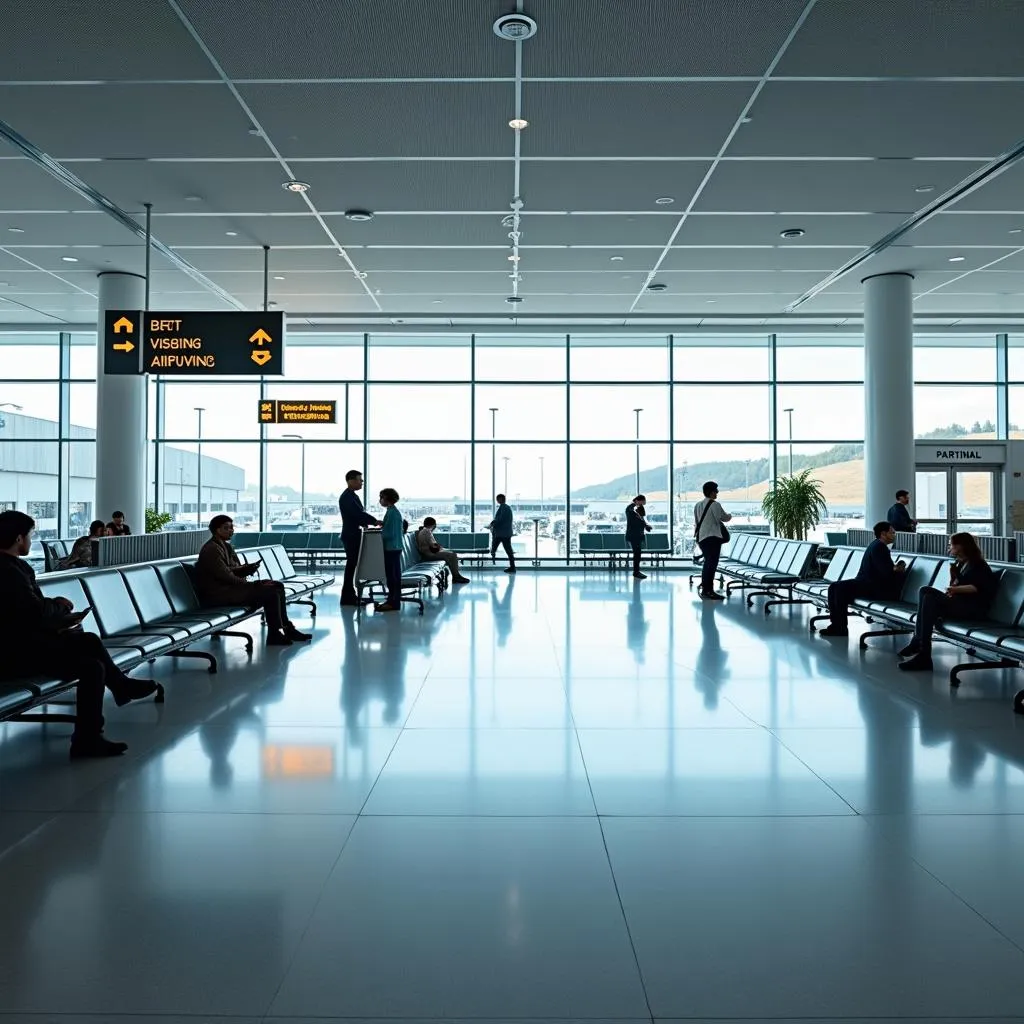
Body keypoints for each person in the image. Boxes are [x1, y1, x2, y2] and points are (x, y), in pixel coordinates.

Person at [0, 510, 158, 759]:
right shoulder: (8, 571)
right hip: (15, 654)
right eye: (30, 535)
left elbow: (26, 608)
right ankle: (92, 732)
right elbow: (31, 612)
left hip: (24, 644)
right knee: (92, 667)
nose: (31, 541)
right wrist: (60, 607)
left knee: (88, 641)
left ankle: (116, 694)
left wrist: (54, 609)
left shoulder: (14, 567)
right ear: (19, 538)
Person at [195, 515, 311, 647]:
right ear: (216, 530)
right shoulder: (212, 549)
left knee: (277, 586)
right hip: (219, 594)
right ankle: (275, 634)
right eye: (226, 528)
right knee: (270, 591)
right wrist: (252, 584)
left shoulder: (225, 547)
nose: (231, 530)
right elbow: (225, 575)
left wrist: (245, 569)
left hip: (229, 589)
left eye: (232, 527)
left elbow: (232, 568)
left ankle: (286, 628)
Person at [899, 532, 998, 672]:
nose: (949, 548)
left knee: (927, 595)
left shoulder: (978, 564)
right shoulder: (962, 563)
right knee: (926, 594)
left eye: (951, 545)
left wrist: (953, 589)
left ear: (961, 546)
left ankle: (920, 647)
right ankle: (922, 651)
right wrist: (953, 581)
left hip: (973, 609)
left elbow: (976, 588)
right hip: (961, 605)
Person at [819, 521, 906, 637]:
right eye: (892, 533)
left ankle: (838, 626)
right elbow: (887, 572)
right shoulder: (880, 548)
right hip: (871, 586)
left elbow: (885, 571)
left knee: (837, 588)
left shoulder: (875, 545)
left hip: (870, 585)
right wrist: (897, 568)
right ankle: (838, 626)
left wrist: (895, 569)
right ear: (883, 534)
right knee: (835, 587)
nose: (895, 535)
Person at [339, 470, 379, 606]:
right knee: (351, 565)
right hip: (351, 535)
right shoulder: (347, 497)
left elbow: (358, 515)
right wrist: (375, 521)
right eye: (359, 480)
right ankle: (347, 597)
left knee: (352, 565)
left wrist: (368, 522)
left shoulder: (351, 496)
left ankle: (350, 595)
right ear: (350, 480)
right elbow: (357, 514)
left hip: (353, 534)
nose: (362, 482)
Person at [694, 481, 732, 600]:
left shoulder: (698, 505)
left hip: (701, 538)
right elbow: (722, 518)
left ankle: (706, 587)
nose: (717, 492)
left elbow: (697, 521)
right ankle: (708, 590)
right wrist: (729, 516)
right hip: (712, 538)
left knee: (707, 563)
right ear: (711, 492)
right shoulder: (715, 504)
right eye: (716, 490)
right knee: (711, 564)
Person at [415, 517, 470, 583]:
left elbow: (433, 546)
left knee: (451, 554)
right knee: (453, 555)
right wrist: (443, 549)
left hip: (427, 553)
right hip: (429, 554)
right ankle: (456, 576)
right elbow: (434, 547)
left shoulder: (424, 531)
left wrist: (444, 550)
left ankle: (456, 576)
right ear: (434, 525)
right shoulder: (427, 531)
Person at [376, 488, 404, 613]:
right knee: (394, 576)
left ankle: (393, 602)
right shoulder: (393, 512)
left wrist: (378, 534)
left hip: (391, 548)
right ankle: (392, 601)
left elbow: (389, 534)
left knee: (392, 577)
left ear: (387, 498)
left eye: (381, 497)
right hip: (395, 547)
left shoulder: (392, 513)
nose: (380, 500)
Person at [624, 494, 653, 580]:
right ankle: (636, 572)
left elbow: (641, 519)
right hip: (633, 536)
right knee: (637, 554)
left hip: (637, 535)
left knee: (638, 554)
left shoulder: (636, 510)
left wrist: (646, 525)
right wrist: (635, 504)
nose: (642, 505)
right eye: (642, 503)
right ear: (638, 500)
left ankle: (636, 571)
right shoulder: (630, 509)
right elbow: (635, 520)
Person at [489, 493, 516, 574]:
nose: (498, 500)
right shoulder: (506, 507)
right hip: (504, 533)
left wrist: (493, 524)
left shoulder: (504, 507)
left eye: (498, 499)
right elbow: (500, 519)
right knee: (506, 550)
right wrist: (493, 523)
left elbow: (500, 519)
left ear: (500, 499)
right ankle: (512, 566)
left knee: (507, 550)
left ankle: (512, 567)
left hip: (502, 534)